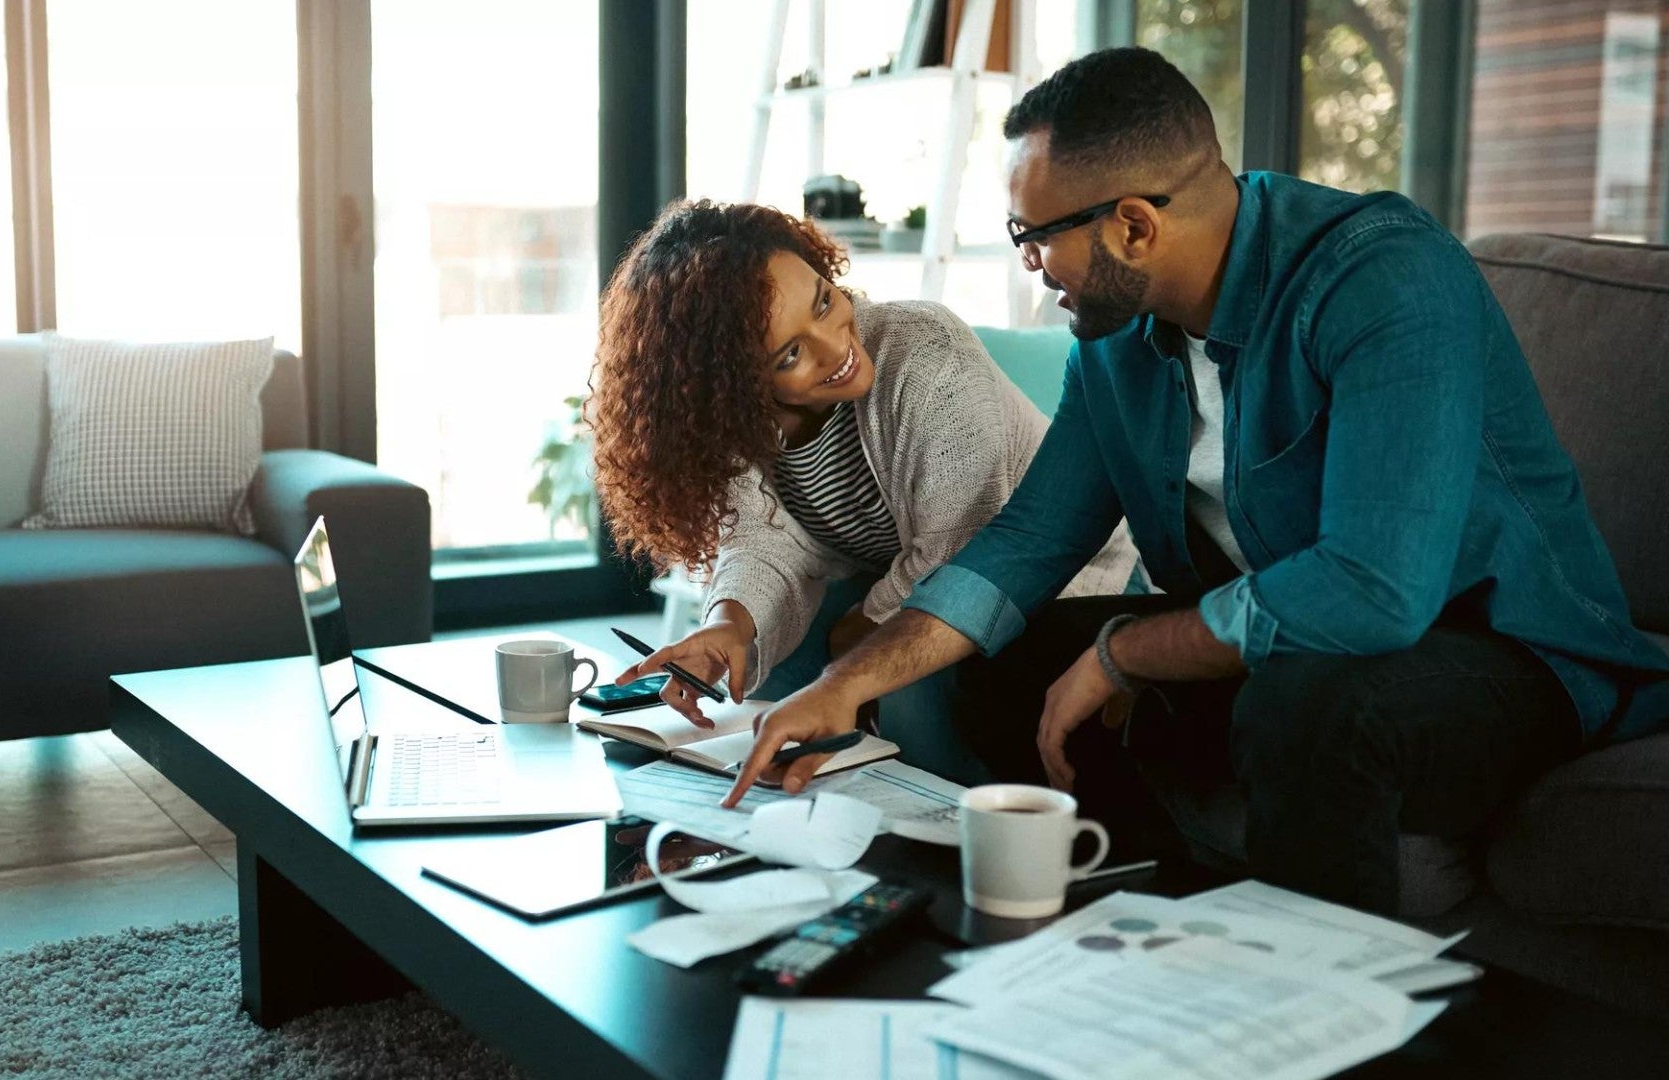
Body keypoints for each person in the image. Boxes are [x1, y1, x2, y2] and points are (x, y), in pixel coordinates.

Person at [721, 47, 1669, 916]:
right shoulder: (1119, 340)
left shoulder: (1384, 279)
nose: (1027, 263)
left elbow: (1374, 594)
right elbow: (1025, 544)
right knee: (1005, 657)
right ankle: (1124, 922)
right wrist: (846, 682)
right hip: (1293, 653)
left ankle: (1312, 1015)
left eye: (1031, 234)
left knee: (1309, 705)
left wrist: (1126, 653)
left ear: (1132, 225)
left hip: (1503, 659)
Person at [589, 200, 1138, 783]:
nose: (834, 346)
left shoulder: (927, 353)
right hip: (894, 577)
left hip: (1049, 578)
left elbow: (963, 550)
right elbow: (763, 543)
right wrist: (729, 625)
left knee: (900, 685)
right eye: (791, 355)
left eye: (824, 302)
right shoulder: (740, 425)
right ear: (734, 389)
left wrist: (854, 646)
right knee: (767, 680)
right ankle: (789, 816)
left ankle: (942, 825)